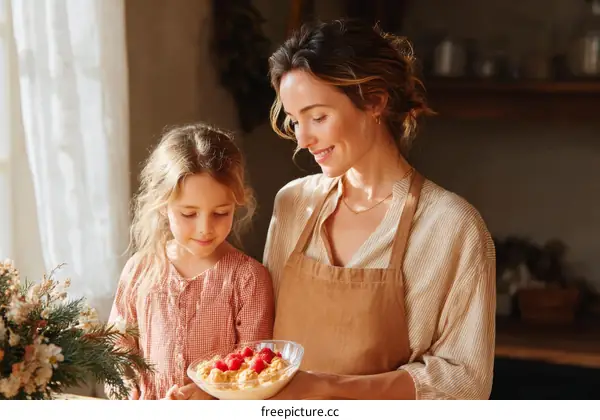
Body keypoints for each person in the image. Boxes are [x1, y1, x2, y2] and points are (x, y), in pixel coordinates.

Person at [262, 19, 496, 400]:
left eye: (318, 117)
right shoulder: (292, 204)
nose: (302, 139)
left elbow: (465, 381)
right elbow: (262, 341)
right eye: (294, 120)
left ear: (374, 101)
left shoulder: (451, 225)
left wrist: (330, 389)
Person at [107, 123, 274, 400]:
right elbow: (118, 346)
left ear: (237, 204)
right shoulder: (140, 270)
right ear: (162, 206)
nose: (204, 228)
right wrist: (124, 385)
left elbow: (254, 368)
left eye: (220, 212)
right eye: (188, 214)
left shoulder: (248, 279)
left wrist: (211, 393)